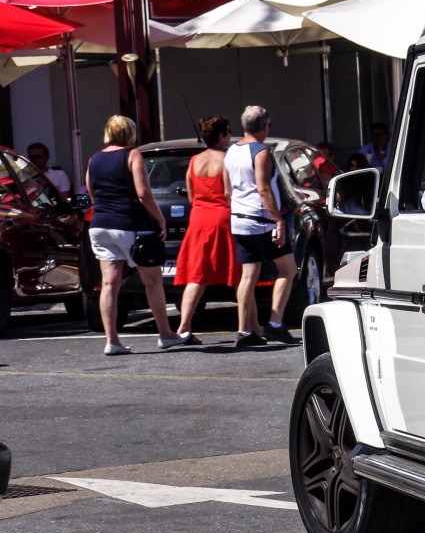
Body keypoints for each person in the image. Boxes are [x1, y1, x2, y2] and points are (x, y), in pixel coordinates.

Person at [85, 115, 188, 355]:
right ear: (130, 133)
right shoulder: (132, 155)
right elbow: (143, 194)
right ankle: (166, 334)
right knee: (152, 281)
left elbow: (92, 192)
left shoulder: (94, 159)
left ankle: (112, 341)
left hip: (100, 225)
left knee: (109, 283)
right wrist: (160, 219)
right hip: (132, 224)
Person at [227, 105, 298, 347]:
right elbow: (263, 188)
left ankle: (244, 330)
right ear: (265, 126)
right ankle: (275, 323)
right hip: (262, 220)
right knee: (288, 269)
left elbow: (228, 190)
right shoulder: (261, 152)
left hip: (239, 219)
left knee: (248, 275)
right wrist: (278, 220)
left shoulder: (231, 152)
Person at [173, 115, 241, 341]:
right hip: (222, 217)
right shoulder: (227, 160)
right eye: (228, 132)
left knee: (197, 275)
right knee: (239, 274)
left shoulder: (194, 162)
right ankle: (245, 327)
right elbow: (229, 193)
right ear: (222, 135)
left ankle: (183, 327)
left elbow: (192, 196)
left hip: (199, 219)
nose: (230, 136)